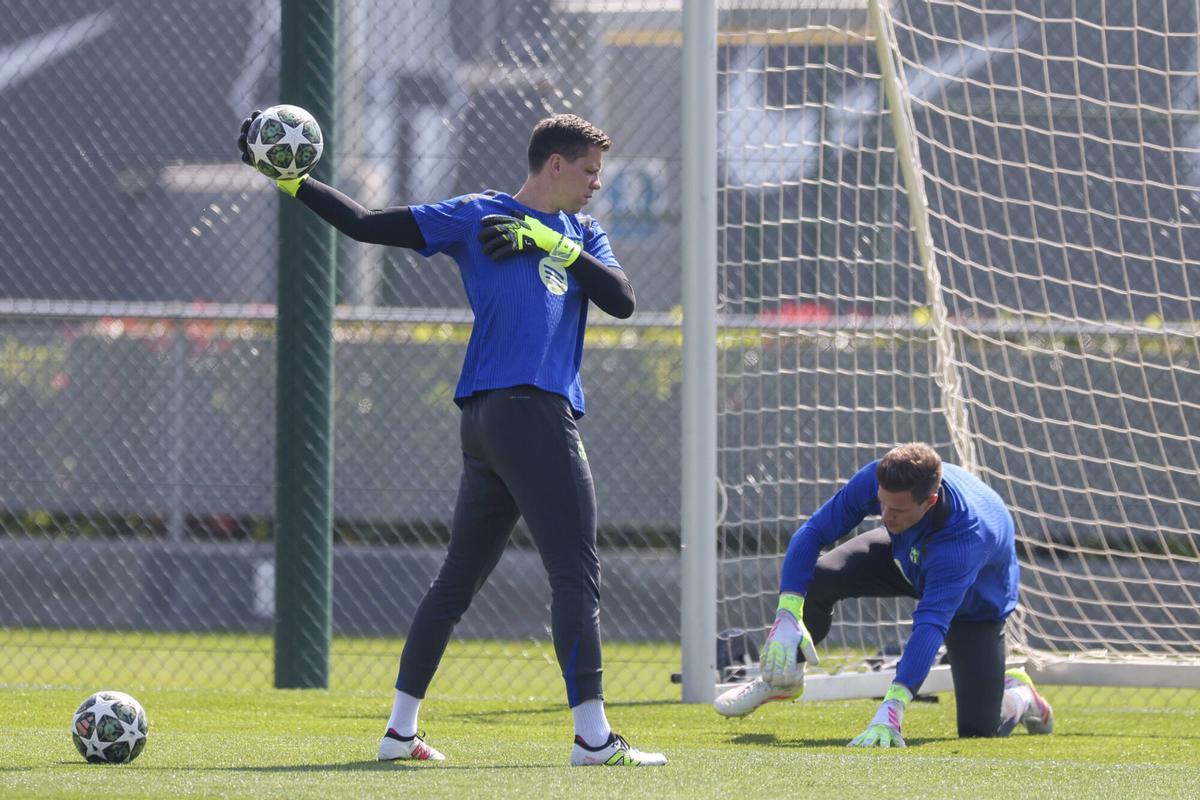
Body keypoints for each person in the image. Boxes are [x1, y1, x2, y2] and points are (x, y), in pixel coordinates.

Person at [237, 111, 666, 767]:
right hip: (528, 415)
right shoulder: (476, 215)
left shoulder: (583, 233)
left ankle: (398, 732)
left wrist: (546, 243)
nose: (596, 184)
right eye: (589, 171)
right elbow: (365, 223)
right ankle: (593, 738)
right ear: (554, 165)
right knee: (575, 574)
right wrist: (294, 182)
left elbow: (622, 299)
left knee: (455, 583)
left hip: (491, 422)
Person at [714, 442, 1053, 746]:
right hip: (907, 557)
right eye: (882, 504)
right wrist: (787, 611)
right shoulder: (878, 479)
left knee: (979, 729)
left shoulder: (964, 540)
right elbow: (814, 531)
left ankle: (1019, 694)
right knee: (820, 576)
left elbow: (931, 624)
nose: (885, 516)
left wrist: (894, 703)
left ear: (930, 502)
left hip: (973, 600)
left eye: (897, 510)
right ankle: (785, 679)